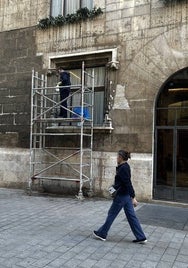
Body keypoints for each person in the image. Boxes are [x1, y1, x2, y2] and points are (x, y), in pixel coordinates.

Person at [93, 150, 147, 244]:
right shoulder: (124, 167)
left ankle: (102, 233)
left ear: (121, 157)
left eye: (117, 156)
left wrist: (133, 197)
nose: (116, 158)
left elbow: (127, 183)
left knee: (112, 214)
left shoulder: (123, 168)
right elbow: (121, 183)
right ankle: (141, 237)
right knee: (131, 216)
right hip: (125, 196)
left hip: (122, 196)